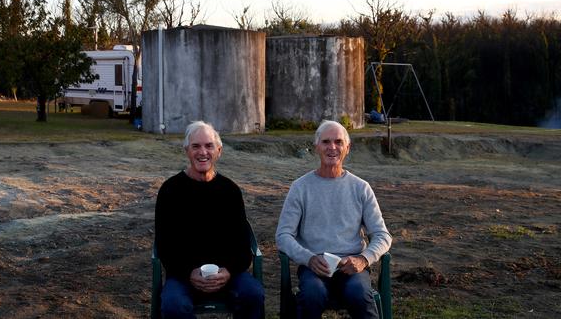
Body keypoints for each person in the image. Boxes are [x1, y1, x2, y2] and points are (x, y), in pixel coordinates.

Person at [275, 120, 392, 319]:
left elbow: (382, 235)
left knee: (360, 294)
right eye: (326, 142)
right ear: (316, 147)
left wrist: (363, 259)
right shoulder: (300, 187)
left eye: (338, 142)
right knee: (312, 295)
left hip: (352, 267)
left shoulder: (361, 188)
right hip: (314, 267)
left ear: (348, 147)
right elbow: (283, 235)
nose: (332, 147)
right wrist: (308, 258)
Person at [154, 121, 264, 319]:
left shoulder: (230, 191)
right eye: (196, 146)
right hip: (184, 275)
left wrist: (229, 271)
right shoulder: (170, 190)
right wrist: (189, 272)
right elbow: (164, 244)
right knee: (173, 304)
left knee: (253, 294)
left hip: (227, 274)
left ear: (219, 151)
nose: (202, 152)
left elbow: (242, 243)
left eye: (209, 146)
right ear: (187, 150)